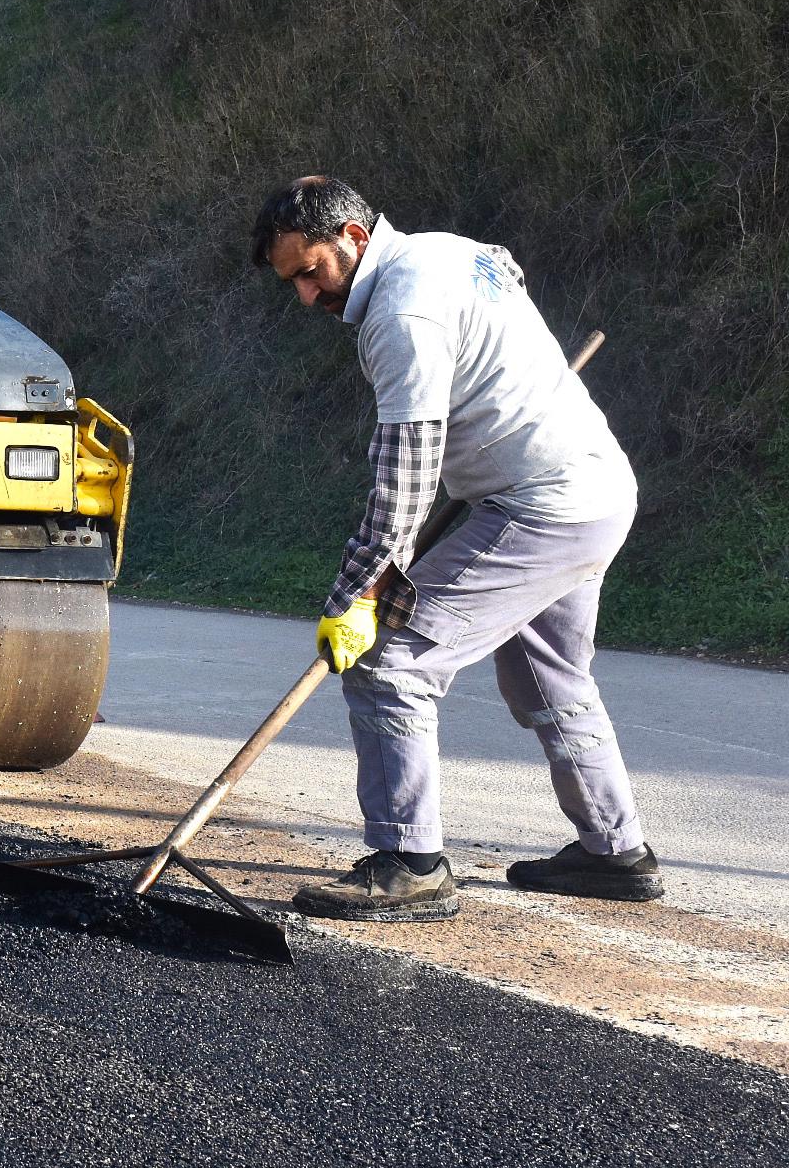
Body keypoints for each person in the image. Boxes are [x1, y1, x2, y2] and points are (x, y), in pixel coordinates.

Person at [252, 176, 665, 922]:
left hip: (539, 503)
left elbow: (405, 478)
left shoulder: (401, 314)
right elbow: (508, 271)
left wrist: (359, 593)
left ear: (351, 236)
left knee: (389, 661)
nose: (307, 297)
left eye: (310, 271)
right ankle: (615, 854)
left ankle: (410, 862)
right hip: (597, 491)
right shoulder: (448, 252)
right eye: (293, 283)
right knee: (551, 677)